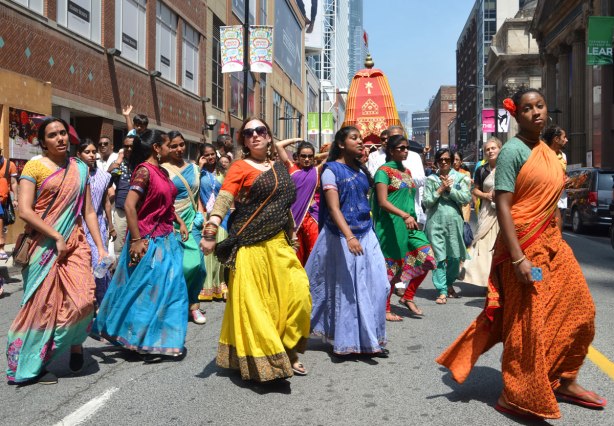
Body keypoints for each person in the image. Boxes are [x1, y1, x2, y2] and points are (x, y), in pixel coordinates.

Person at [436, 88, 605, 420]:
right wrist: (518, 259)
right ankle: (518, 392)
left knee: (580, 310)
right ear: (517, 115)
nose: (536, 112)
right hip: (526, 251)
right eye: (527, 108)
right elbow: (503, 205)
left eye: (540, 105)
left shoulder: (546, 150)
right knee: (530, 321)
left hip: (554, 246)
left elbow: (550, 199)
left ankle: (563, 378)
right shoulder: (513, 151)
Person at [201, 117, 311, 381]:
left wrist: (292, 230)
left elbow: (283, 204)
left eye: (260, 130)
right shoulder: (239, 167)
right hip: (250, 246)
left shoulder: (280, 166)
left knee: (299, 297)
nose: (255, 136)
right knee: (260, 307)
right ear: (243, 141)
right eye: (248, 133)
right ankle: (275, 361)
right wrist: (211, 229)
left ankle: (286, 346)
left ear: (268, 135)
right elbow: (225, 198)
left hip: (279, 244)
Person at [6, 117, 107, 385]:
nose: (60, 138)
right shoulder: (34, 166)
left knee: (83, 300)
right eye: (53, 135)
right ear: (43, 142)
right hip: (43, 244)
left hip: (75, 242)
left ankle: (74, 343)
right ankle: (32, 365)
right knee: (43, 306)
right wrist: (56, 236)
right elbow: (25, 211)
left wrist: (100, 247)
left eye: (63, 133)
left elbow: (87, 210)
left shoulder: (80, 169)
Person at [92, 129, 190, 363]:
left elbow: (165, 203)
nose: (172, 149)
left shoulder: (162, 171)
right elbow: (129, 206)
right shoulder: (144, 172)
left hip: (167, 238)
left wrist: (179, 221)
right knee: (145, 292)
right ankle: (137, 339)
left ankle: (165, 340)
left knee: (172, 290)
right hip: (147, 240)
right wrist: (136, 240)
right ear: (157, 148)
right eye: (168, 145)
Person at [306, 126, 389, 357]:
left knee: (380, 285)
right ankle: (353, 342)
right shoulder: (330, 171)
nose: (361, 141)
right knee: (348, 291)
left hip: (366, 232)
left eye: (360, 138)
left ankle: (372, 336)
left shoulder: (362, 171)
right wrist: (349, 237)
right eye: (354, 138)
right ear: (341, 144)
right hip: (341, 236)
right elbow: (333, 208)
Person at [372, 135, 436, 320]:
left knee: (427, 258)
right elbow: (382, 202)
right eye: (401, 148)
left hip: (410, 224)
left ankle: (407, 297)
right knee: (392, 267)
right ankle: (384, 309)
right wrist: (403, 215)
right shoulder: (383, 172)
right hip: (391, 225)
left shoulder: (407, 171)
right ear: (391, 151)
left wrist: (411, 216)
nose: (405, 151)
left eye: (406, 147)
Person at [162, 131, 207, 324]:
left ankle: (194, 304)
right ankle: (178, 303)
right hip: (172, 221)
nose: (179, 149)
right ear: (166, 147)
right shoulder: (163, 169)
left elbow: (197, 195)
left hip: (193, 221)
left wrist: (201, 215)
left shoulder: (195, 168)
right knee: (178, 266)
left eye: (181, 145)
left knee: (198, 266)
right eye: (174, 146)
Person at [423, 148, 472, 304]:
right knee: (439, 257)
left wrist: (450, 189)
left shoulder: (460, 178)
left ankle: (449, 283)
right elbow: (427, 202)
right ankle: (442, 290)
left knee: (454, 257)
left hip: (454, 223)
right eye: (441, 159)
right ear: (437, 161)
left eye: (447, 159)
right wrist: (440, 189)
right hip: (435, 222)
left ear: (452, 161)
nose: (444, 162)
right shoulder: (431, 179)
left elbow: (466, 198)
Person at [460, 139, 502, 287]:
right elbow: (475, 189)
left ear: (500, 149)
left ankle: (500, 282)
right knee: (483, 244)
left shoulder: (507, 168)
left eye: (493, 148)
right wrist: (486, 196)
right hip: (487, 210)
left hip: (503, 212)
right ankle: (485, 281)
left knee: (499, 246)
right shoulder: (481, 170)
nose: (490, 151)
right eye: (487, 149)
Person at [77, 139, 114, 304]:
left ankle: (102, 301)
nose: (91, 155)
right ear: (79, 154)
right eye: (87, 152)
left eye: (93, 152)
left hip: (98, 224)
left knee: (100, 263)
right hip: (77, 224)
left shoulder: (105, 176)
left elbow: (106, 202)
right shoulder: (74, 175)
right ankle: (86, 301)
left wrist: (111, 224)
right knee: (83, 264)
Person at [275, 138, 321, 266]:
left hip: (312, 217)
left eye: (310, 156)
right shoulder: (291, 167)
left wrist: (319, 156)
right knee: (295, 253)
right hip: (293, 219)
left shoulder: (317, 171)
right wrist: (296, 140)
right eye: (303, 156)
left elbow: (332, 153)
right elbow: (279, 145)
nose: (307, 159)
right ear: (298, 157)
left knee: (314, 251)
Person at [198, 143, 230, 302]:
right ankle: (206, 287)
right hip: (205, 215)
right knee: (207, 252)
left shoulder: (222, 173)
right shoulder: (199, 173)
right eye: (206, 155)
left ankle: (220, 285)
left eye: (212, 154)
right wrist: (199, 167)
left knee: (220, 249)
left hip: (223, 217)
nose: (210, 157)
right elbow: (195, 192)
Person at [108, 135, 135, 255]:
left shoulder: (142, 163)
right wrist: (115, 164)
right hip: (121, 210)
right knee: (119, 247)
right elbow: (106, 182)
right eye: (126, 146)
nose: (129, 149)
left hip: (138, 211)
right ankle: (119, 272)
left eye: (132, 146)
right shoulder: (118, 164)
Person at [543, 125, 569, 230]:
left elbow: (563, 173)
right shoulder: (543, 154)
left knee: (558, 231)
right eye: (564, 137)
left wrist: (567, 180)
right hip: (546, 200)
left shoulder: (563, 156)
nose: (566, 140)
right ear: (556, 139)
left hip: (561, 199)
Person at [0, 146, 18, 260]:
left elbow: (13, 182)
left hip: (3, 200)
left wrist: (15, 198)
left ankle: (1, 247)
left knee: (3, 223)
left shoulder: (9, 165)